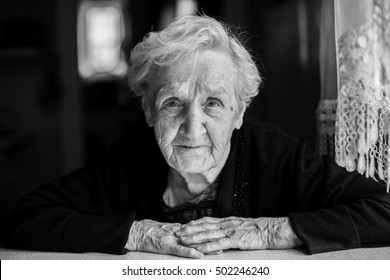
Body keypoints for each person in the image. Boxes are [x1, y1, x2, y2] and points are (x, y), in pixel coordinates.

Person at [6, 15, 390, 258]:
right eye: (173, 102)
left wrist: (271, 230)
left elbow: (383, 212)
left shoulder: (277, 157)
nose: (192, 127)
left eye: (213, 104)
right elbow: (25, 219)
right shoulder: (127, 160)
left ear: (239, 113)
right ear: (148, 111)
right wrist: (139, 233)